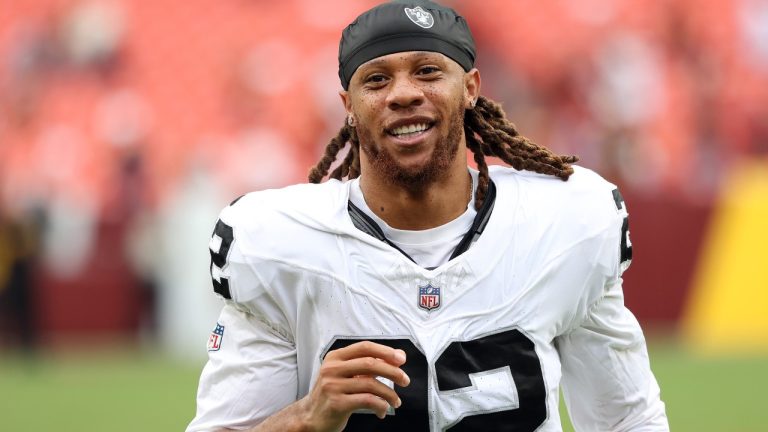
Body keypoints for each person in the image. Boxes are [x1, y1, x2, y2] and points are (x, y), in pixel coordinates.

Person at [187, 1, 669, 431]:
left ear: (471, 89)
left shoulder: (565, 224)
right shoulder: (282, 245)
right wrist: (308, 417)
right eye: (376, 79)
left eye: (428, 72)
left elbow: (628, 420)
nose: (402, 94)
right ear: (348, 107)